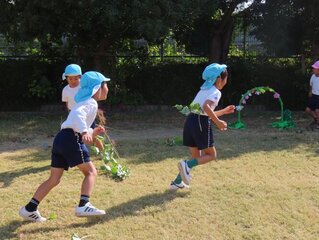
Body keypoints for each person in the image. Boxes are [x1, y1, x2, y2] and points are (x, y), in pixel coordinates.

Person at [19, 71, 110, 222]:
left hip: (61, 139)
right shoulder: (90, 103)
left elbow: (76, 121)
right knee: (91, 172)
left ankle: (29, 209)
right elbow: (78, 117)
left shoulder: (84, 102)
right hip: (71, 139)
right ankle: (83, 205)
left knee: (54, 179)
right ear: (97, 89)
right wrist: (84, 130)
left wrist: (93, 133)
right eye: (105, 85)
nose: (107, 88)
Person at [170, 63, 235, 190]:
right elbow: (206, 108)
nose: (226, 81)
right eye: (226, 78)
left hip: (190, 121)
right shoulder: (216, 92)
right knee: (211, 155)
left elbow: (203, 112)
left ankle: (177, 182)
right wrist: (218, 122)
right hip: (200, 123)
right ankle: (186, 165)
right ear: (219, 79)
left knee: (196, 158)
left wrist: (223, 111)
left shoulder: (204, 90)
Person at [305, 60, 319, 130]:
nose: (313, 69)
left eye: (315, 68)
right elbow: (311, 85)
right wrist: (310, 92)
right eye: (313, 68)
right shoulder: (313, 76)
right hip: (313, 96)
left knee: (317, 111)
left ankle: (318, 125)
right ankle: (316, 119)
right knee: (307, 110)